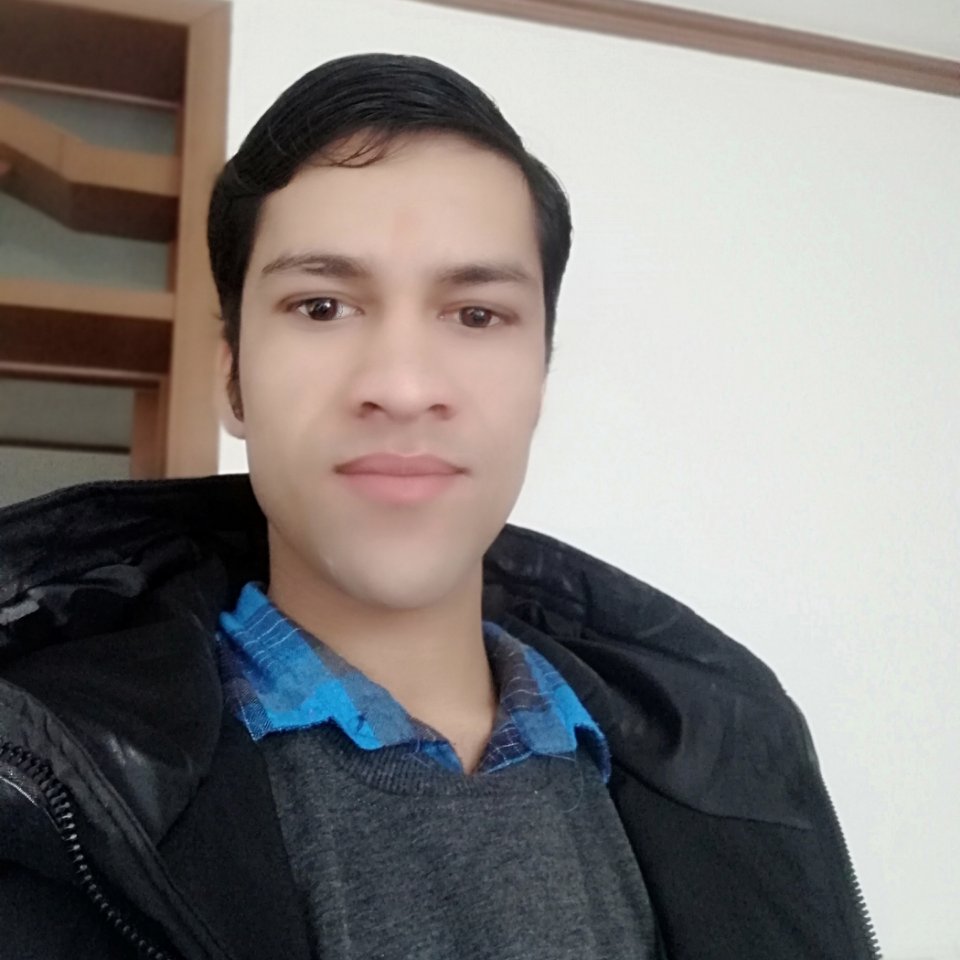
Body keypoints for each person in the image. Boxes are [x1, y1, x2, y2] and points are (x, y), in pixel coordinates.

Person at [0, 53, 880, 960]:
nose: (404, 386)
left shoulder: (732, 757)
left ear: (541, 376)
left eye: (476, 315)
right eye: (322, 305)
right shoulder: (34, 795)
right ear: (232, 375)